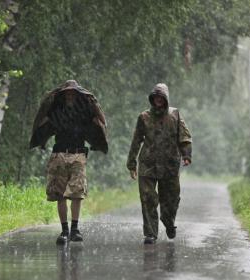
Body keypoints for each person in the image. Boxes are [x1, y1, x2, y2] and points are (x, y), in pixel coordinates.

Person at [30, 80, 108, 245]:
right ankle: (64, 230)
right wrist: (41, 140)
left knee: (77, 194)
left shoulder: (85, 112)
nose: (70, 95)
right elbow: (42, 122)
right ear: (63, 94)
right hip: (59, 155)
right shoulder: (56, 111)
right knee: (60, 195)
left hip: (78, 155)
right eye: (68, 93)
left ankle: (75, 229)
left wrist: (94, 103)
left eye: (73, 93)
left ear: (78, 94)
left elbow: (102, 121)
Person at [127, 83, 192, 244]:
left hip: (170, 164)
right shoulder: (144, 117)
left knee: (171, 199)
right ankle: (150, 233)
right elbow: (136, 141)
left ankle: (169, 223)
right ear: (152, 98)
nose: (158, 100)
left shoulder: (174, 115)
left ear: (166, 99)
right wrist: (131, 163)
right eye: (155, 97)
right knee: (148, 198)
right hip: (148, 164)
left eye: (161, 97)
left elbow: (184, 136)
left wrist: (186, 154)